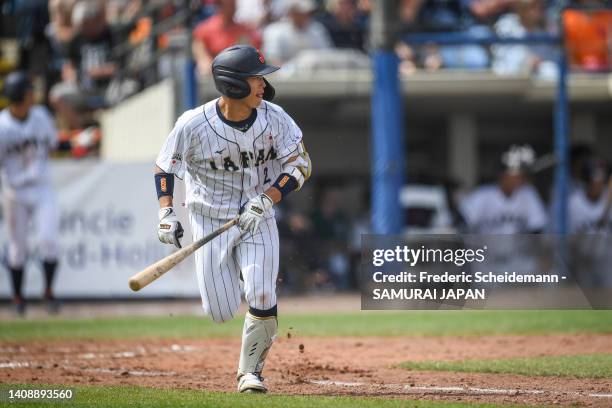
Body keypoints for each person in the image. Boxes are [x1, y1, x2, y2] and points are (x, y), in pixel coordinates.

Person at [153, 45, 311, 393]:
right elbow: (166, 167)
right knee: (220, 310)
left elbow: (300, 166)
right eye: (255, 77)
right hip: (210, 221)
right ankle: (250, 300)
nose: (262, 84)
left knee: (261, 289)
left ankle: (250, 372)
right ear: (233, 84)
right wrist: (166, 210)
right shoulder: (193, 124)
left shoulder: (276, 118)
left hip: (259, 216)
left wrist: (268, 199)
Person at [0, 72, 60, 316]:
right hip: (15, 191)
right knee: (17, 248)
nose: (32, 94)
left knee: (48, 240)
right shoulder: (2, 126)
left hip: (42, 187)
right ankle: (18, 298)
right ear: (19, 96)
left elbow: (54, 144)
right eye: (28, 91)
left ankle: (48, 293)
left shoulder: (41, 116)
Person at [192, 0, 262, 75]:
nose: (234, 6)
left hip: (239, 74)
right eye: (230, 4)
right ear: (219, 5)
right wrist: (204, 60)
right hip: (214, 73)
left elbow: (255, 48)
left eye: (234, 3)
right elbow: (199, 48)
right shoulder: (205, 28)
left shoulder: (244, 29)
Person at [262, 0, 332, 65]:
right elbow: (272, 59)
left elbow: (326, 55)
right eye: (299, 12)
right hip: (283, 76)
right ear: (291, 13)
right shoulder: (274, 31)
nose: (305, 15)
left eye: (306, 12)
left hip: (315, 75)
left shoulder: (317, 30)